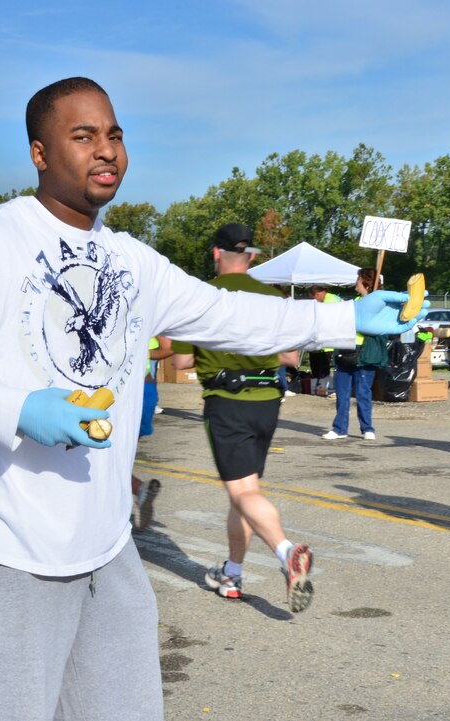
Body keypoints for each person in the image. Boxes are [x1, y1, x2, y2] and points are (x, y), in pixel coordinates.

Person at [0, 77, 425, 721]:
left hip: (106, 550)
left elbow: (227, 314)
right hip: (3, 550)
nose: (105, 149)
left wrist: (346, 320)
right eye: (82, 136)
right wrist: (15, 409)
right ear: (39, 153)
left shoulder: (131, 260)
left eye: (114, 134)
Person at [170, 223, 312, 609]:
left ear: (216, 254)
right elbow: (291, 357)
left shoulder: (199, 298)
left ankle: (287, 552)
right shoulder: (272, 297)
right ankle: (232, 573)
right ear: (250, 257)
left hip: (227, 400)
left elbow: (181, 360)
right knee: (244, 495)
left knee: (243, 493)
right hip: (268, 400)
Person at [323, 267, 379, 441]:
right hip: (346, 350)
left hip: (365, 353)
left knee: (363, 391)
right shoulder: (353, 302)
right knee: (342, 392)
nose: (355, 283)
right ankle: (339, 428)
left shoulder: (377, 303)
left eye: (358, 279)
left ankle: (367, 428)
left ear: (365, 282)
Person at [132, 335, 171, 530]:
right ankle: (138, 490)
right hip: (145, 389)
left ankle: (138, 489)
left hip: (123, 389)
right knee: (122, 455)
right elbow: (170, 348)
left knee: (103, 458)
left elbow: (169, 348)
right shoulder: (150, 310)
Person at [308, 285, 341, 396]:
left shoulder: (330, 301)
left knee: (324, 368)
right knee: (318, 366)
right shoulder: (330, 299)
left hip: (328, 342)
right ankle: (319, 389)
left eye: (314, 298)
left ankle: (324, 390)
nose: (314, 301)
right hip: (322, 343)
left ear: (317, 294)